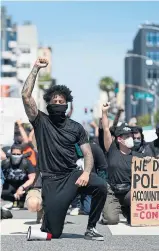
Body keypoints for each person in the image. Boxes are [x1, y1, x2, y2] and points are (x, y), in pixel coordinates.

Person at [21, 58, 107, 240]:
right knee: (54, 233)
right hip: (52, 180)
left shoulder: (76, 127)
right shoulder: (41, 121)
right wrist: (36, 68)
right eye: (54, 100)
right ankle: (48, 219)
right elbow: (26, 96)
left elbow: (87, 153)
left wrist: (86, 172)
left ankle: (91, 228)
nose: (58, 103)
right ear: (48, 103)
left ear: (67, 104)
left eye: (61, 101)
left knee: (100, 185)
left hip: (72, 175)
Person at [100, 102, 142, 225]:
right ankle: (108, 210)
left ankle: (127, 209)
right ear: (119, 139)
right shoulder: (112, 150)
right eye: (127, 136)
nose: (131, 138)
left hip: (129, 192)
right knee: (111, 220)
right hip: (112, 191)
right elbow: (106, 129)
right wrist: (104, 112)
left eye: (132, 136)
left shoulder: (137, 156)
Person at [1, 144, 36, 210]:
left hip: (23, 185)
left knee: (30, 191)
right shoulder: (5, 163)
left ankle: (21, 201)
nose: (16, 156)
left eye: (18, 154)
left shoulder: (27, 162)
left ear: (22, 154)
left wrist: (21, 187)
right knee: (4, 191)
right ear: (10, 153)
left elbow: (32, 178)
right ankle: (11, 200)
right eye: (14, 154)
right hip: (10, 185)